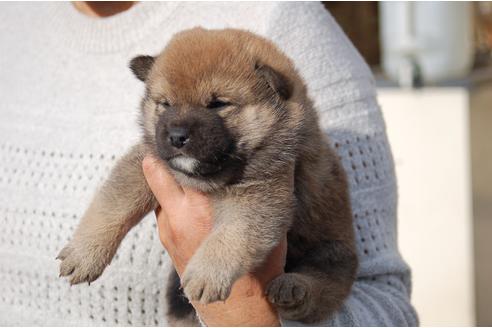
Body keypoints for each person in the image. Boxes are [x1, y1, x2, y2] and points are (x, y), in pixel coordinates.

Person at [0, 2, 418, 326]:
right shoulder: (11, 17)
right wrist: (95, 240)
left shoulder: (284, 18)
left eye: (218, 104)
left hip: (312, 261)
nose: (178, 129)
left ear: (274, 95)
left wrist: (245, 314)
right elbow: (129, 181)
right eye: (163, 104)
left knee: (323, 269)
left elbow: (386, 302)